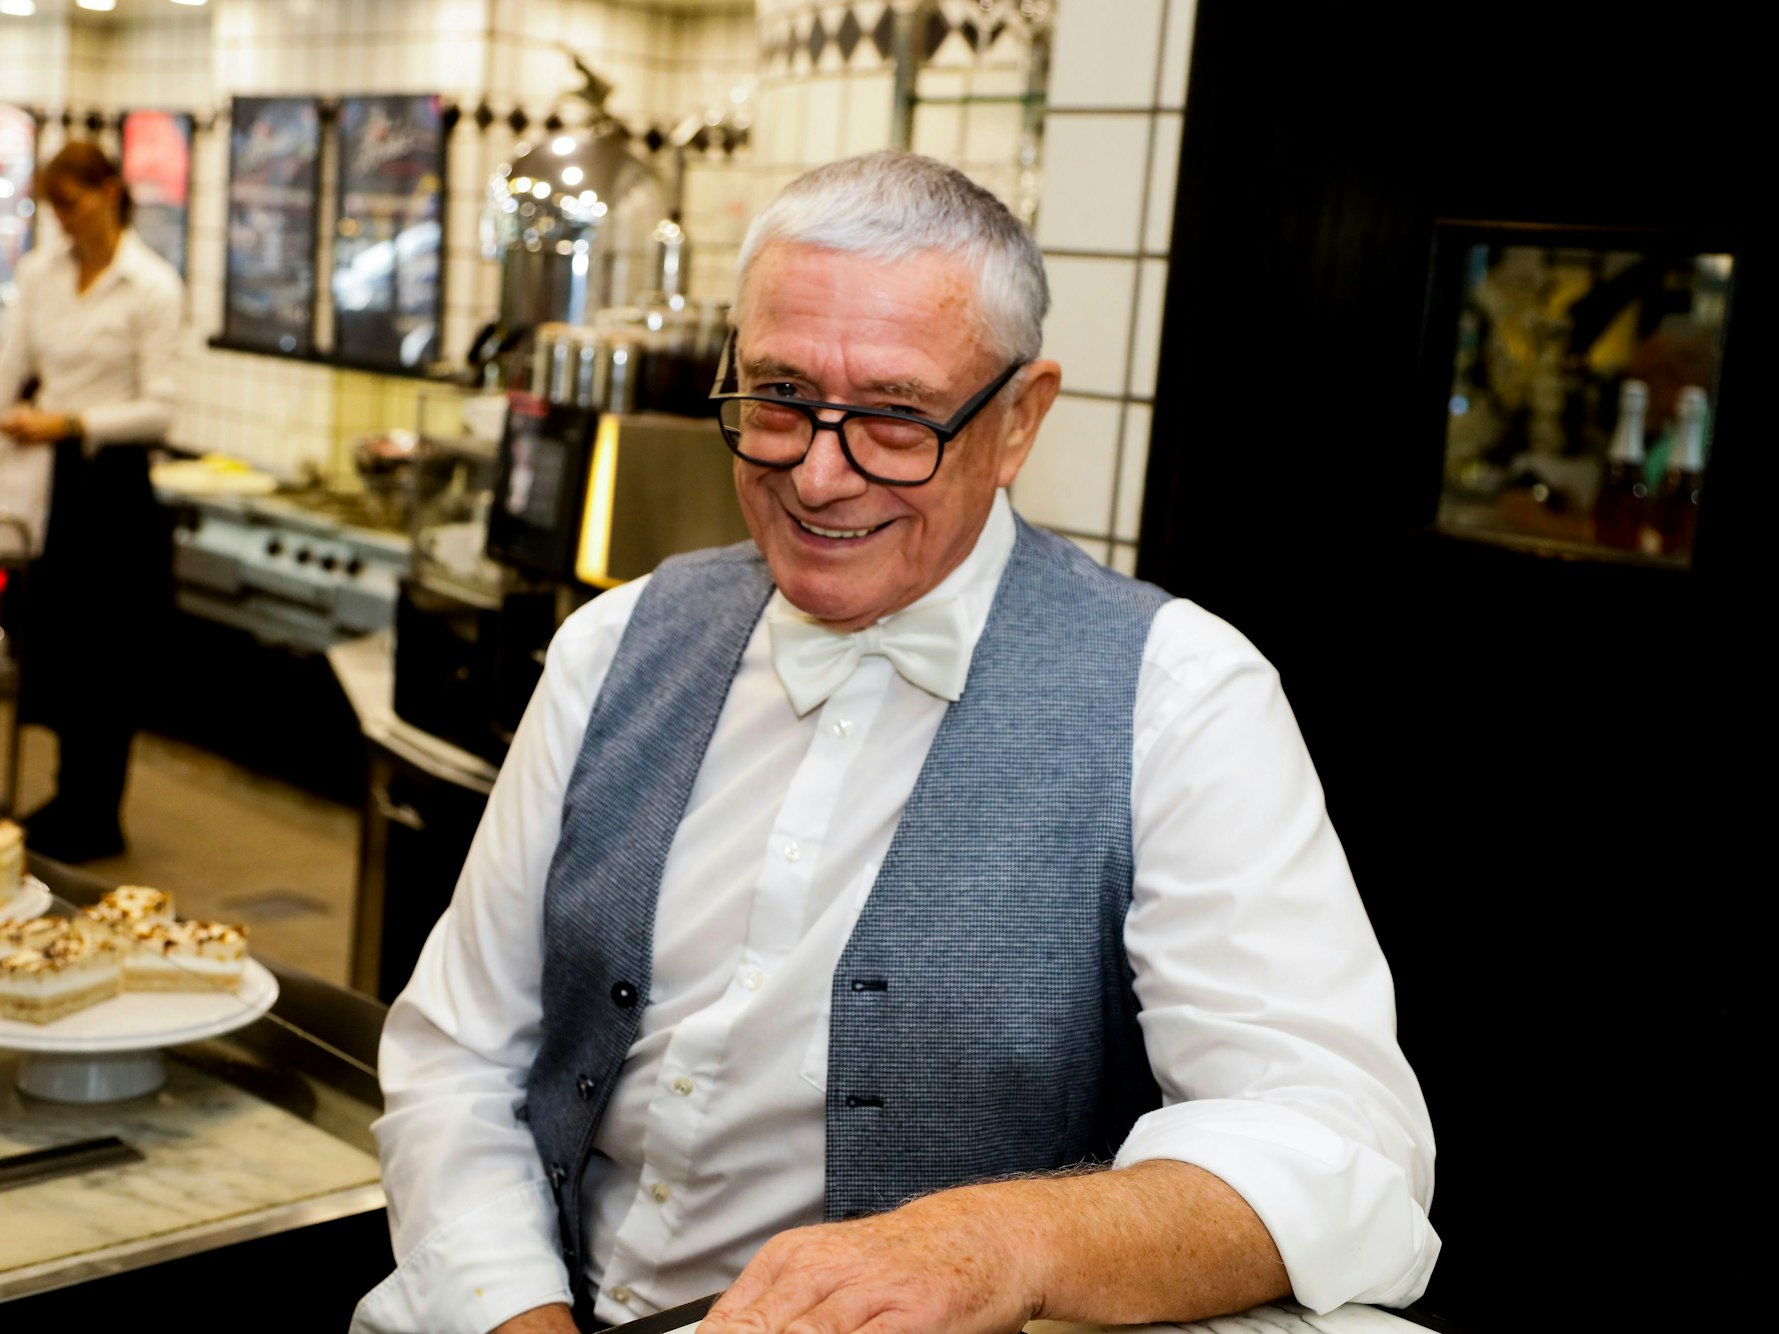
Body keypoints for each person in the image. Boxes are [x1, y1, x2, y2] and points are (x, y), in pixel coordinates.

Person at [355, 152, 1437, 1334]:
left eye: (894, 415)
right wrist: (519, 1316)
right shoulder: (613, 643)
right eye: (779, 395)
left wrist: (999, 1243)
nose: (819, 475)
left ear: (1018, 420)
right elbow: (457, 1059)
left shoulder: (1181, 699)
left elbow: (1339, 1145)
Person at [0, 141, 183, 862]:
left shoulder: (152, 286)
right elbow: (12, 366)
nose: (62, 220)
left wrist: (70, 423)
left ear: (109, 191)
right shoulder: (41, 273)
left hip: (113, 488)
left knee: (108, 654)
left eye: (71, 204)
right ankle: (68, 794)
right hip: (50, 483)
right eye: (53, 206)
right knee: (59, 648)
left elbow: (161, 409)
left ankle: (98, 810)